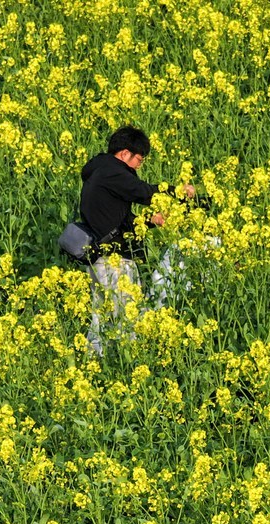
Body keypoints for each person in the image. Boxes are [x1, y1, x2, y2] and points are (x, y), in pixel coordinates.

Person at [77, 125, 193, 353]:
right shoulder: (112, 171)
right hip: (114, 262)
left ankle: (96, 367)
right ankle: (123, 368)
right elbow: (143, 191)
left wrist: (153, 220)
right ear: (124, 154)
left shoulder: (99, 174)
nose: (139, 165)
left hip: (100, 259)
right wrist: (179, 191)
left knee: (102, 320)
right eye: (139, 160)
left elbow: (123, 221)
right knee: (126, 322)